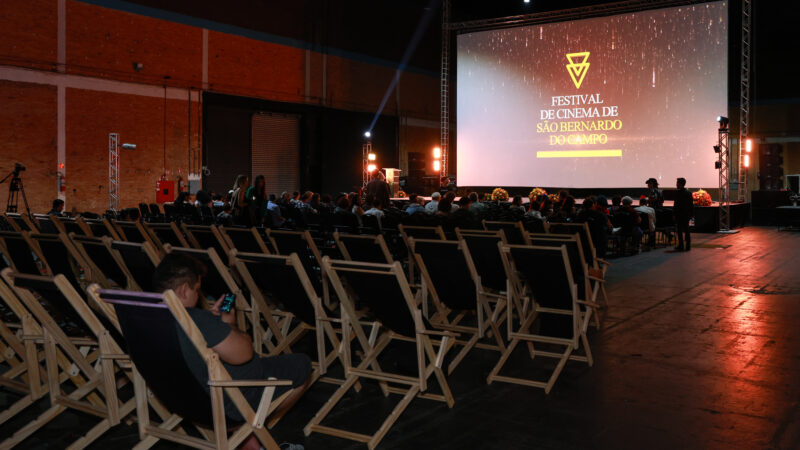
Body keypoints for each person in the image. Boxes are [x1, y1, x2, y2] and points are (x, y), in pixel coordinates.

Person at [152, 254, 311, 450]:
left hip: (181, 401)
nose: (198, 296)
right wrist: (228, 325)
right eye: (197, 290)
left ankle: (250, 443)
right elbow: (244, 354)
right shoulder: (196, 319)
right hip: (227, 404)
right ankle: (248, 430)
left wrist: (213, 326)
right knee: (301, 365)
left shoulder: (149, 318)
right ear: (184, 289)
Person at [673, 177, 694, 251]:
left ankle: (681, 245)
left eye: (677, 183)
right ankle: (688, 246)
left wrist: (674, 214)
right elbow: (691, 205)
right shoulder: (688, 193)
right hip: (686, 214)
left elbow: (675, 205)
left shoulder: (677, 193)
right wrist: (691, 214)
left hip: (679, 214)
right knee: (686, 230)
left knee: (679, 230)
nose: (676, 184)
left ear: (680, 184)